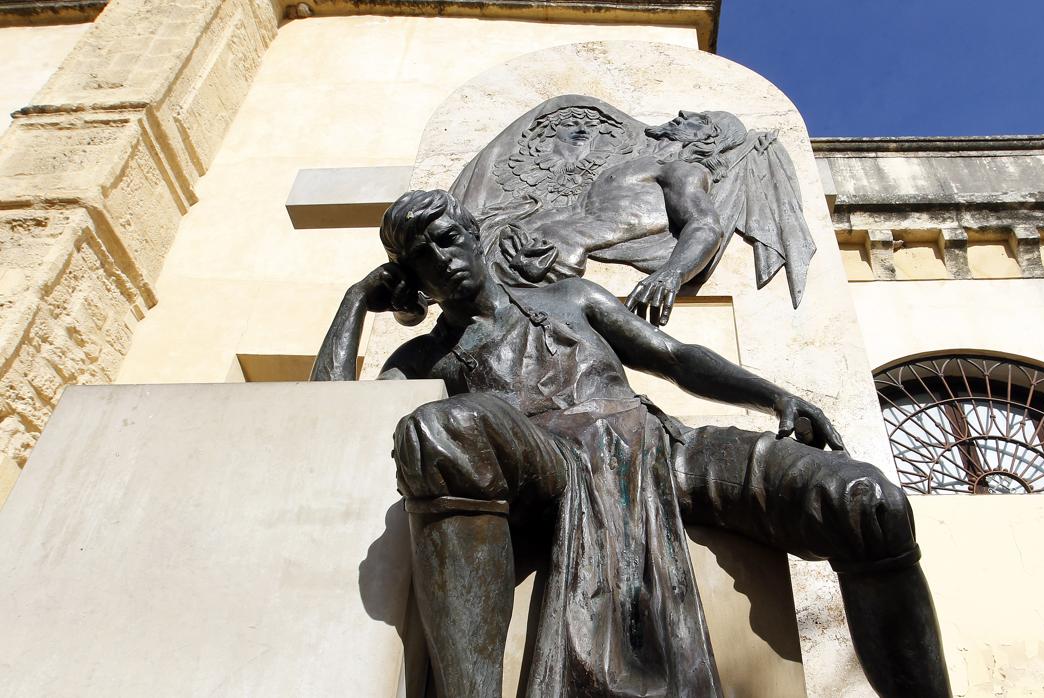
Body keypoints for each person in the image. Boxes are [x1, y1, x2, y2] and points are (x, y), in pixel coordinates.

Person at [312, 189, 951, 698]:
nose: (443, 258)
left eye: (448, 237)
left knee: (867, 501)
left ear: (474, 234)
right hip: (551, 463)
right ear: (412, 278)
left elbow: (675, 357)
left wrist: (774, 396)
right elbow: (325, 415)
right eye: (422, 256)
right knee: (438, 426)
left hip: (661, 446)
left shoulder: (570, 297)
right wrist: (355, 301)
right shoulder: (423, 357)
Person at [461, 107, 813, 325]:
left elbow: (705, 225)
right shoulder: (642, 162)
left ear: (709, 138)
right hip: (518, 246)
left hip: (546, 262)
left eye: (700, 119)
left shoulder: (682, 172)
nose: (683, 112)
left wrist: (672, 273)